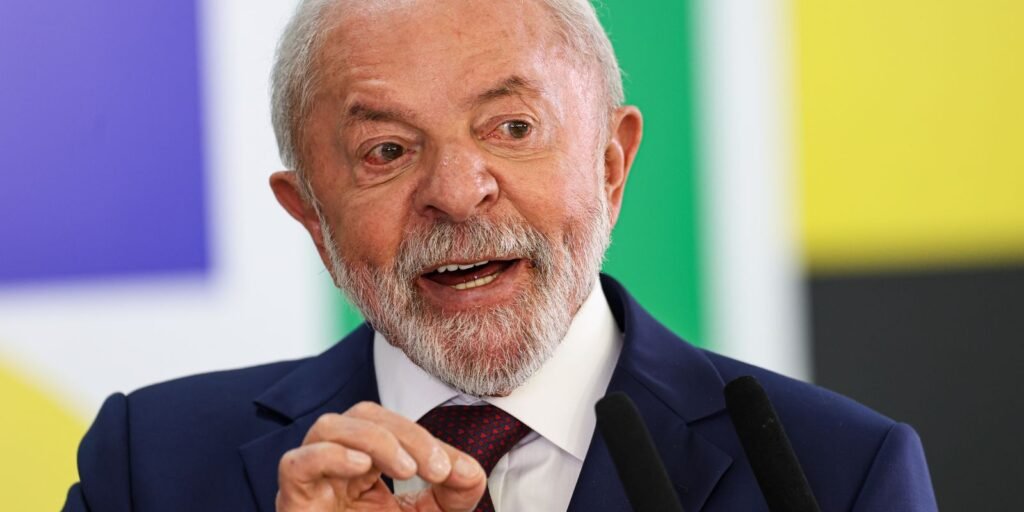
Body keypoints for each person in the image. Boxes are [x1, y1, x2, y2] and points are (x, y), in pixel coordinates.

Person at [63, 0, 938, 510]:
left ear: (611, 164)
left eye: (512, 128)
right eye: (386, 151)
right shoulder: (149, 468)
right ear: (312, 219)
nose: (456, 191)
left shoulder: (837, 473)